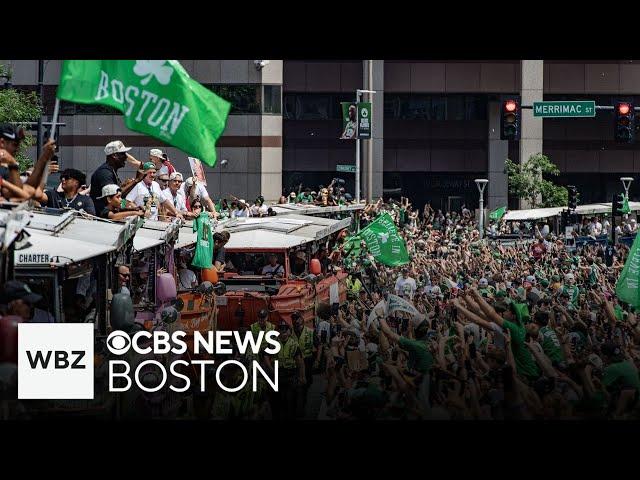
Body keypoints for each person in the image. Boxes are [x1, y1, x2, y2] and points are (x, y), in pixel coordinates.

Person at [90, 140, 143, 214]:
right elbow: (113, 198)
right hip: (102, 220)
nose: (126, 157)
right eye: (123, 154)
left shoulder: (112, 171)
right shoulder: (105, 173)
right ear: (114, 156)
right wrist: (137, 180)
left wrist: (128, 208)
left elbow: (121, 198)